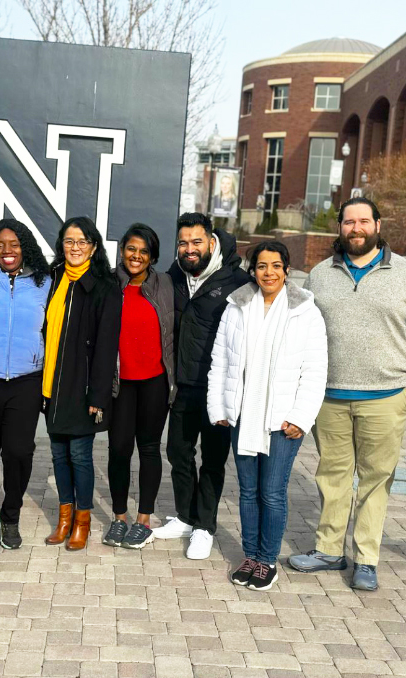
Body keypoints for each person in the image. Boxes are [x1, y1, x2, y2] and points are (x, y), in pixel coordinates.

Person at [287, 197, 406, 591]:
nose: (356, 229)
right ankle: (328, 550)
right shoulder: (320, 275)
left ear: (378, 224)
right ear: (340, 227)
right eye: (349, 222)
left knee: (375, 480)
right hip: (329, 397)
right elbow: (301, 332)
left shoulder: (405, 274)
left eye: (364, 221)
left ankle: (366, 559)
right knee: (333, 477)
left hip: (387, 398)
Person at [208, 242, 327, 591]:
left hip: (282, 420)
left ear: (287, 270)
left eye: (276, 265)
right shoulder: (236, 307)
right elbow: (221, 362)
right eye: (262, 266)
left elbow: (315, 369)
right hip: (244, 415)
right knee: (247, 490)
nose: (269, 272)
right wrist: (220, 407)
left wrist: (301, 417)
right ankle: (250, 555)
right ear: (253, 270)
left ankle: (267, 560)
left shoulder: (306, 310)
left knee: (272, 491)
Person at [154, 212, 252, 560]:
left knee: (212, 460)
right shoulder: (173, 277)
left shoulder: (239, 282)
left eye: (196, 242)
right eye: (183, 242)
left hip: (219, 389)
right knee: (178, 453)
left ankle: (205, 527)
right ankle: (185, 515)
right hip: (182, 385)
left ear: (211, 242)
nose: (189, 249)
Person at [0, 219, 50, 555]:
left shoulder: (44, 282)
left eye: (14, 244)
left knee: (19, 451)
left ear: (26, 247)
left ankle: (11, 514)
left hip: (26, 380)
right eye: (0, 244)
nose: (7, 251)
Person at [43, 217, 121, 551]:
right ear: (62, 244)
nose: (76, 248)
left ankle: (82, 521)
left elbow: (106, 346)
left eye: (83, 242)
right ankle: (63, 518)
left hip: (83, 385)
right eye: (70, 241)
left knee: (80, 456)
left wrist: (98, 395)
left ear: (94, 247)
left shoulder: (104, 285)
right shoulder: (54, 278)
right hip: (52, 384)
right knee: (59, 456)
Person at [103, 223, 175, 550]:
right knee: (118, 449)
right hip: (120, 384)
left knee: (148, 448)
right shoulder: (109, 284)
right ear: (122, 251)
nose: (136, 255)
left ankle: (144, 519)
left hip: (154, 382)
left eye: (144, 251)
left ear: (152, 256)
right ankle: (120, 516)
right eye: (131, 249)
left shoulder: (165, 285)